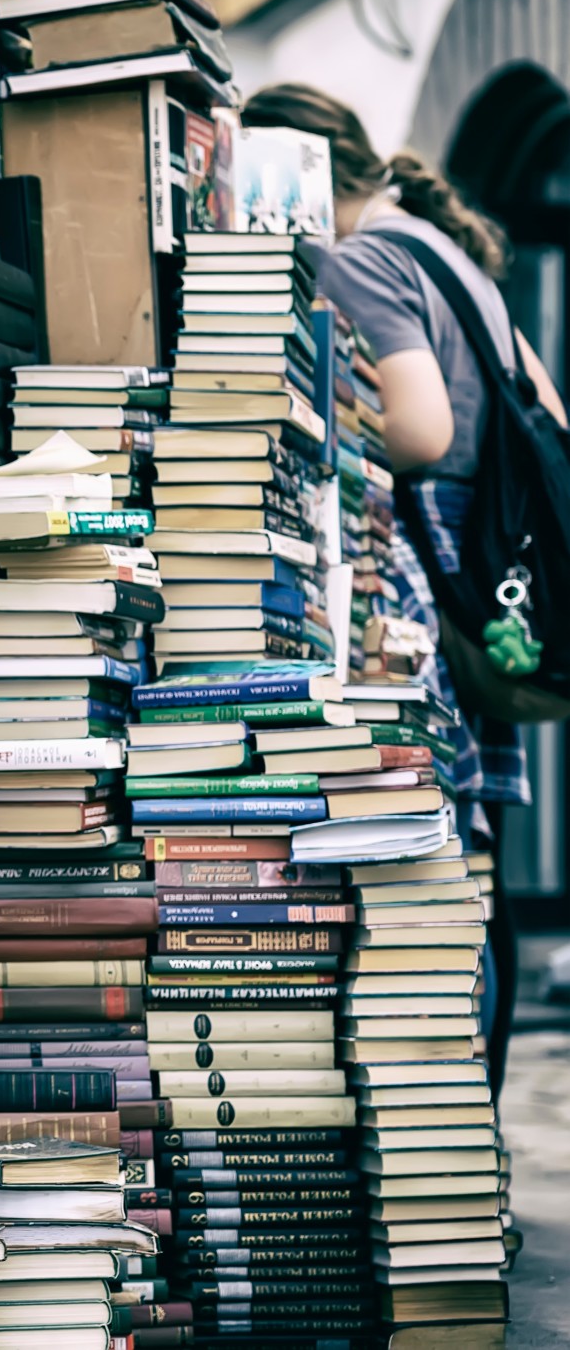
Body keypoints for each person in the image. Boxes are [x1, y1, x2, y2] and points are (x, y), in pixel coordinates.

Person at [242, 84, 565, 1097]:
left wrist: (308, 410)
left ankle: (449, 1112)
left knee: (431, 865)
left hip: (440, 578)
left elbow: (421, 431)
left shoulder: (360, 256)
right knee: (477, 876)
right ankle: (478, 1136)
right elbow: (545, 404)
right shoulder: (446, 250)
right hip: (499, 588)